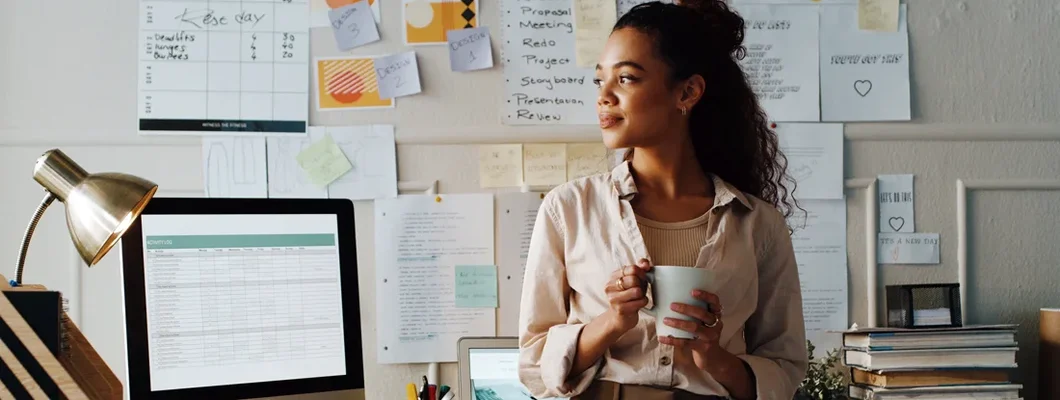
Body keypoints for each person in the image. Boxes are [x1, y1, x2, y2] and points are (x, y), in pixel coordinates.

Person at [516, 0, 809, 399]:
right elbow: (534, 366)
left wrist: (714, 357)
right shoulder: (568, 208)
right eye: (599, 80)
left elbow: (784, 370)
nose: (604, 96)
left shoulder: (759, 223)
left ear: (687, 91)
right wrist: (613, 321)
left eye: (627, 79)